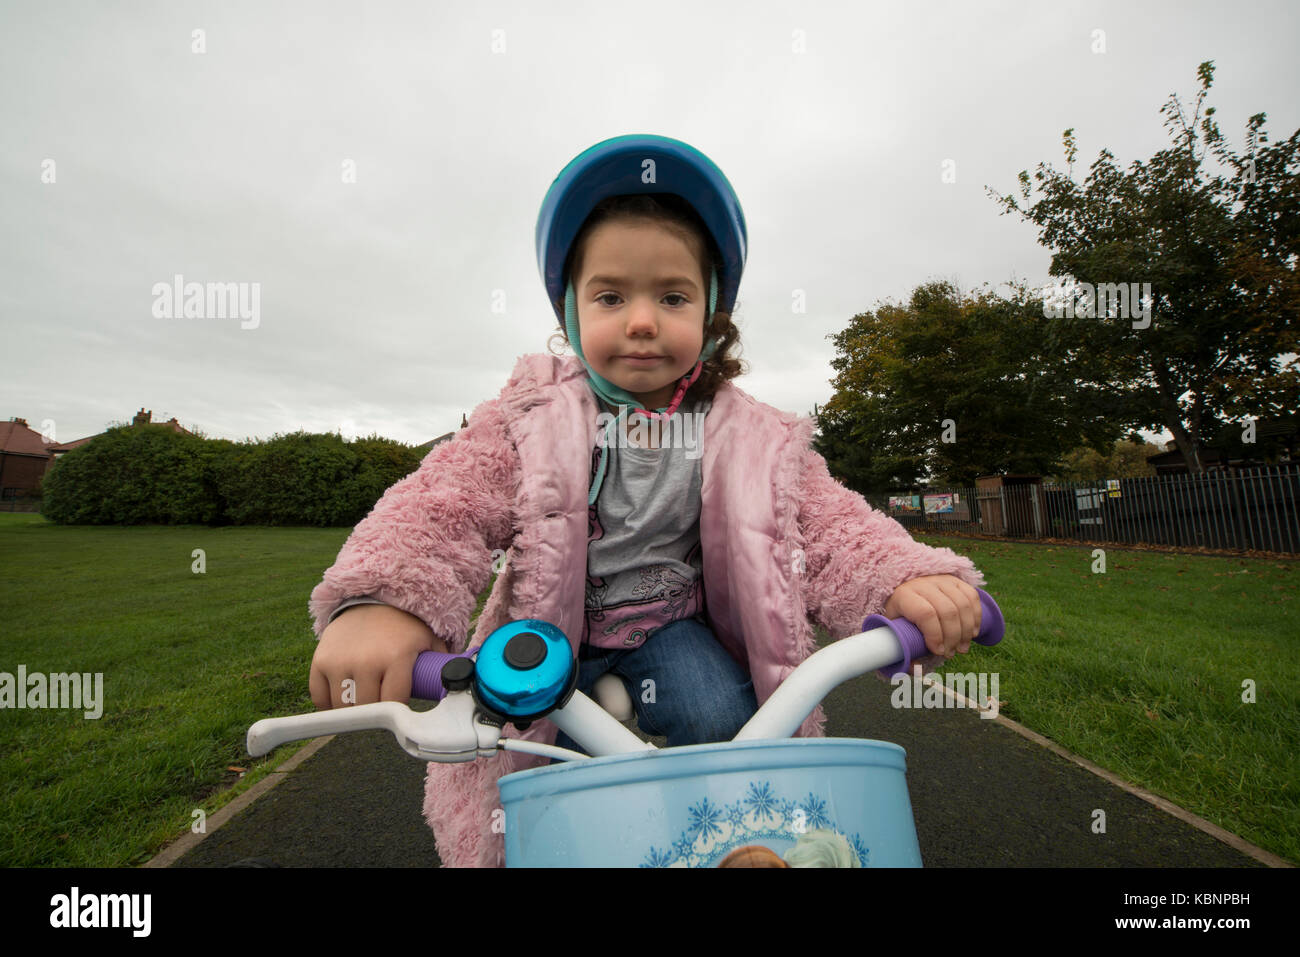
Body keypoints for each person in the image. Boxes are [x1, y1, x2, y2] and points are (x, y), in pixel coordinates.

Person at [306, 134, 987, 868]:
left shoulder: (749, 435)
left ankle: (736, 848)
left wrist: (902, 575)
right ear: (569, 312)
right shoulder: (534, 416)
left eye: (671, 296)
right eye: (610, 296)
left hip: (669, 627)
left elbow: (825, 525)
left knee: (726, 714)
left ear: (710, 312)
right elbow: (445, 503)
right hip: (556, 633)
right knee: (530, 753)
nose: (640, 320)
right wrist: (385, 601)